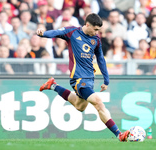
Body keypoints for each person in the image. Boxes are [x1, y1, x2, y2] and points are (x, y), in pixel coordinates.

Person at [37, 13, 130, 141]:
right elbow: (56, 32)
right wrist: (43, 34)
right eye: (95, 29)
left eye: (98, 30)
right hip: (78, 79)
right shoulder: (72, 32)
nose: (97, 32)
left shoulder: (96, 40)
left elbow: (101, 59)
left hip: (90, 79)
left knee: (79, 106)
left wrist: (106, 79)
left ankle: (53, 85)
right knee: (98, 103)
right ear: (87, 25)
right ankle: (118, 134)